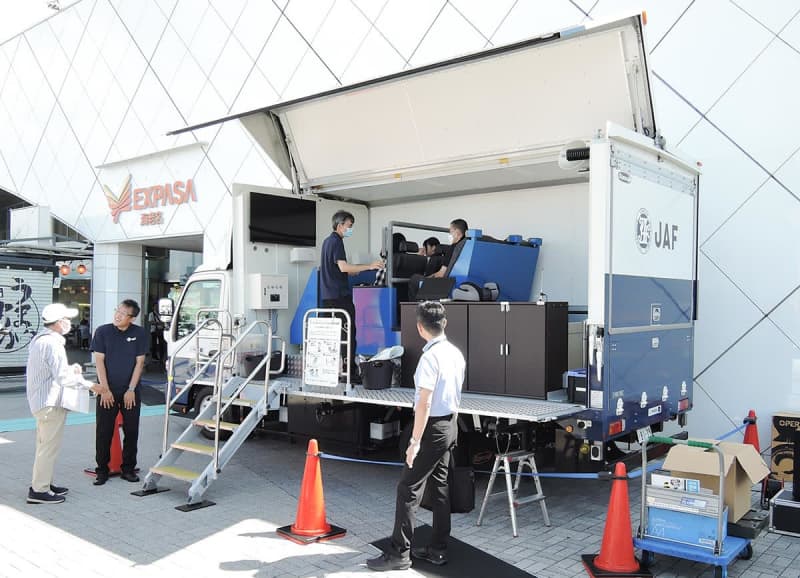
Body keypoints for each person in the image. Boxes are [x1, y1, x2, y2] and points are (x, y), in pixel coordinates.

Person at [367, 301, 465, 571]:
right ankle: (438, 549)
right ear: (444, 323)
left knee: (408, 489)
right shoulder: (455, 353)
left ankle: (399, 554)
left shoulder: (429, 358)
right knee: (441, 487)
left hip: (432, 428)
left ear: (421, 328)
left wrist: (414, 442)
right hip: (450, 425)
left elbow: (424, 403)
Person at [26, 303, 106, 504]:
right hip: (49, 403)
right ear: (59, 322)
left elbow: (54, 373)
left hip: (42, 401)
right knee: (48, 447)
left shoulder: (41, 340)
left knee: (44, 445)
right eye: (67, 320)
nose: (69, 323)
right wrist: (90, 385)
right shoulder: (52, 344)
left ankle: (43, 483)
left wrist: (73, 371)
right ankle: (39, 490)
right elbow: (62, 377)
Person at [320, 210, 383, 382]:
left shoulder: (327, 242)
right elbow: (343, 267)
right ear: (340, 225)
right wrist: (369, 266)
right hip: (339, 297)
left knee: (334, 336)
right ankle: (349, 373)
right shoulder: (336, 242)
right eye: (349, 226)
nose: (350, 229)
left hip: (328, 297)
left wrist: (351, 272)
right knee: (348, 335)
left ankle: (334, 371)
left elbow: (338, 270)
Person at [91, 299, 147, 485]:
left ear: (132, 317)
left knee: (131, 431)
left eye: (123, 313)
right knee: (103, 431)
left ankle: (128, 469)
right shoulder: (102, 331)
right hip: (107, 390)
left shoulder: (139, 333)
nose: (118, 315)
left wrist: (131, 389)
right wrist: (104, 389)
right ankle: (102, 470)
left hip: (130, 392)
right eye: (117, 311)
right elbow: (99, 361)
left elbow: (139, 363)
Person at [407, 219, 469, 301]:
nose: (450, 235)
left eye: (450, 232)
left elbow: (441, 274)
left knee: (414, 278)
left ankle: (413, 309)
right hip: (464, 284)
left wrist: (427, 278)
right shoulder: (468, 245)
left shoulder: (454, 248)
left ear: (457, 232)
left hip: (446, 285)